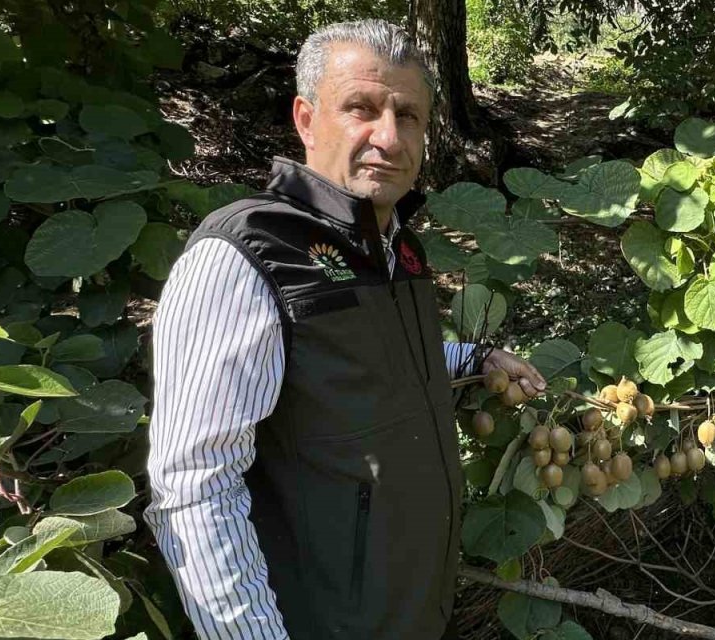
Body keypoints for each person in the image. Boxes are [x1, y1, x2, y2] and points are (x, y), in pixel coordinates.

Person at [144, 20, 547, 639]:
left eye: (408, 116)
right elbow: (196, 486)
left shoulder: (397, 250)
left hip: (409, 615)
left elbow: (364, 363)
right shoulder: (247, 256)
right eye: (361, 108)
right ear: (306, 119)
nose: (388, 135)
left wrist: (473, 358)